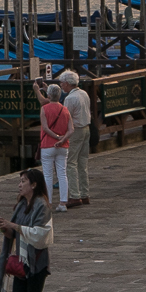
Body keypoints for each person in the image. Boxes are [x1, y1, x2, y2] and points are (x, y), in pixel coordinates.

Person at [34, 82, 72, 211]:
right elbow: (71, 129)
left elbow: (45, 127)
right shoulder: (65, 109)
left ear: (49, 95)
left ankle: (48, 203)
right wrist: (62, 138)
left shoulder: (44, 109)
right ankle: (63, 203)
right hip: (63, 146)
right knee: (62, 174)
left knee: (48, 175)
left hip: (48, 145)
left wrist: (55, 137)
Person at [58, 71, 93, 205]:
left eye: (62, 83)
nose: (61, 85)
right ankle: (85, 193)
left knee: (70, 163)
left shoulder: (69, 98)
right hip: (86, 128)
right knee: (83, 162)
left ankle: (74, 195)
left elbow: (66, 118)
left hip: (76, 130)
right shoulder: (84, 93)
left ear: (67, 83)